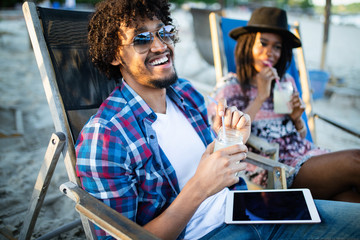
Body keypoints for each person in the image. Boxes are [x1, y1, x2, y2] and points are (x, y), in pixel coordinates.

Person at [76, 1, 360, 239]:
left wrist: (234, 138)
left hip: (248, 207)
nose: (161, 46)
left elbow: (219, 164)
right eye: (142, 38)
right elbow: (127, 236)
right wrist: (200, 187)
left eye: (164, 33)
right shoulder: (105, 137)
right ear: (115, 54)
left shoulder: (186, 94)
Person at [208, 6, 360, 203]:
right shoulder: (230, 86)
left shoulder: (285, 82)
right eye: (263, 44)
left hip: (307, 156)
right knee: (356, 160)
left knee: (352, 201)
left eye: (277, 47)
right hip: (276, 169)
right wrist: (260, 96)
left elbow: (298, 136)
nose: (270, 52)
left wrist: (297, 120)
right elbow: (224, 140)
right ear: (247, 46)